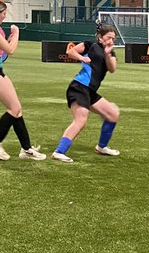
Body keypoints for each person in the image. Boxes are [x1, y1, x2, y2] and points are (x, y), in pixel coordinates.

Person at [0, 1, 45, 161]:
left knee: (17, 109)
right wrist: (16, 33)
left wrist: (12, 36)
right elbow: (10, 50)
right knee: (14, 109)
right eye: (4, 12)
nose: (5, 15)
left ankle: (26, 149)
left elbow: (5, 46)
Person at [51, 23, 121, 162]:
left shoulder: (111, 53)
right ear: (100, 38)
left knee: (113, 114)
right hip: (79, 87)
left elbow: (112, 69)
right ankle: (59, 152)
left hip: (90, 91)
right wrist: (82, 58)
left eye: (113, 38)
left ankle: (102, 147)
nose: (111, 41)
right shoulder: (90, 45)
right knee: (81, 120)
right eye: (108, 37)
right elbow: (71, 52)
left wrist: (107, 54)